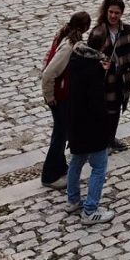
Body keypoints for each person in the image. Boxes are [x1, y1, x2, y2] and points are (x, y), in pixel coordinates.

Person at [64, 27, 114, 225]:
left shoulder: (76, 59)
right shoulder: (93, 70)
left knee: (76, 162)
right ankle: (91, 210)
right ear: (103, 45)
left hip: (75, 123)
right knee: (99, 166)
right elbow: (96, 103)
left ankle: (73, 199)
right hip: (91, 128)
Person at [39, 11, 91, 189]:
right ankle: (49, 175)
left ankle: (60, 167)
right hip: (59, 98)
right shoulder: (69, 46)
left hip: (61, 96)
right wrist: (49, 96)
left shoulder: (62, 35)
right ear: (84, 28)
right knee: (60, 136)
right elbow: (49, 73)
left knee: (63, 133)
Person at [94, 0, 130, 151]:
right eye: (111, 12)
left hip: (123, 78)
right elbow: (91, 57)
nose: (113, 16)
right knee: (105, 110)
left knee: (116, 109)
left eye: (117, 13)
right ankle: (101, 140)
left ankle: (111, 138)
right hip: (105, 80)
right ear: (106, 11)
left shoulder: (127, 30)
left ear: (121, 13)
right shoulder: (98, 32)